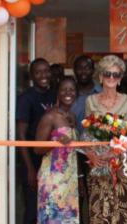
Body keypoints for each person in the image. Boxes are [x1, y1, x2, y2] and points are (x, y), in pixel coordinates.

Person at [84, 55, 127, 224]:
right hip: (97, 160)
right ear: (100, 76)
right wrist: (90, 154)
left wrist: (113, 152)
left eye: (116, 74)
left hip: (120, 159)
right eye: (107, 73)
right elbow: (88, 132)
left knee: (120, 207)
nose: (111, 77)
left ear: (120, 78)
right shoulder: (90, 100)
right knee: (98, 207)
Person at [34, 77, 80, 224]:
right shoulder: (50, 116)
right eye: (64, 90)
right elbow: (37, 149)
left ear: (76, 93)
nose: (68, 93)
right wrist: (56, 143)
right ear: (58, 93)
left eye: (71, 90)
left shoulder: (72, 117)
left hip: (69, 178)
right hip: (53, 180)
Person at [16, 58, 55, 224]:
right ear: (32, 76)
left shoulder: (54, 94)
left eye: (46, 71)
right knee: (32, 210)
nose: (43, 75)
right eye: (38, 72)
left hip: (51, 161)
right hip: (32, 161)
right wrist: (30, 169)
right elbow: (21, 135)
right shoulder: (26, 98)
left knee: (49, 209)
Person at [70, 55, 101, 224]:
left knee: (95, 196)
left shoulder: (101, 92)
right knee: (74, 197)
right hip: (71, 154)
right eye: (79, 68)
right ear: (74, 70)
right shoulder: (68, 92)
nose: (83, 71)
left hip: (96, 153)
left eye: (87, 67)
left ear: (93, 70)